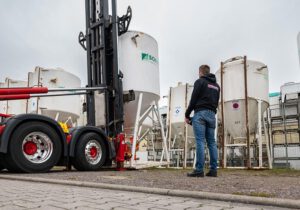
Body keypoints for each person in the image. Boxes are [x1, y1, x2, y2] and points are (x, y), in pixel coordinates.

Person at [185, 65, 220, 177]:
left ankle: (199, 170)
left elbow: (193, 99)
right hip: (212, 115)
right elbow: (216, 101)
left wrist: (187, 114)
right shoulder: (217, 86)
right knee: (211, 142)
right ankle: (213, 170)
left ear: (200, 72)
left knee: (200, 141)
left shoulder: (200, 82)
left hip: (200, 113)